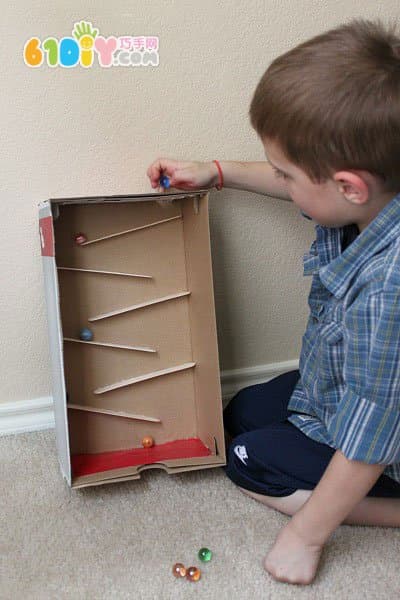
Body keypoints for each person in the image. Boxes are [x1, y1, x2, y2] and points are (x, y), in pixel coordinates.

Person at [147, 17, 400, 585]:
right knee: (240, 412)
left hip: (382, 431)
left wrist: (306, 534)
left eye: (286, 176)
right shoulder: (372, 191)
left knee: (248, 461)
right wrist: (215, 173)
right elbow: (305, 182)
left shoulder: (391, 289)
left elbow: (375, 428)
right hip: (339, 390)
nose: (281, 182)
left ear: (348, 186)